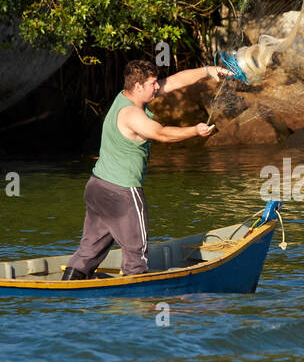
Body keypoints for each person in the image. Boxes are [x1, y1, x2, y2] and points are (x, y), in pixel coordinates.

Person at [63, 59, 226, 279]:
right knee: (136, 252)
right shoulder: (132, 115)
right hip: (122, 192)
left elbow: (177, 81)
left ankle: (70, 287)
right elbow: (162, 133)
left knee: (89, 251)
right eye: (152, 83)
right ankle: (138, 297)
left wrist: (208, 71)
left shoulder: (126, 96)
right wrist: (195, 131)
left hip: (97, 187)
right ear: (138, 86)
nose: (158, 86)